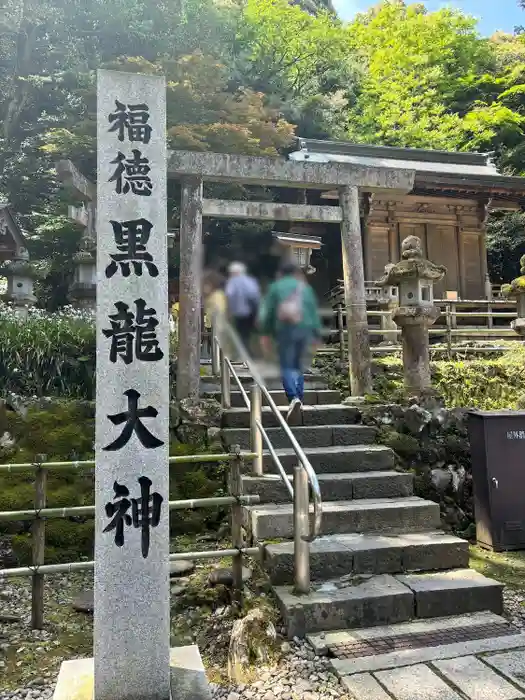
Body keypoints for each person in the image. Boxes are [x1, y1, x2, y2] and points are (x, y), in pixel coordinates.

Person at [260, 262, 321, 423]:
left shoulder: (275, 287)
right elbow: (313, 312)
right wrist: (316, 335)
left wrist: (265, 334)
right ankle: (299, 397)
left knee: (286, 365)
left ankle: (293, 397)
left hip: (285, 330)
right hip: (305, 330)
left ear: (281, 273)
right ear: (295, 273)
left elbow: (268, 313)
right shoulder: (305, 288)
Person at [225, 262, 260, 352]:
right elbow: (255, 297)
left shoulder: (232, 281)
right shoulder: (251, 281)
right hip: (251, 311)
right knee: (248, 333)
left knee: (240, 333)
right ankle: (248, 351)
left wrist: (228, 311)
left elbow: (229, 295)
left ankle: (242, 352)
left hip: (238, 312)